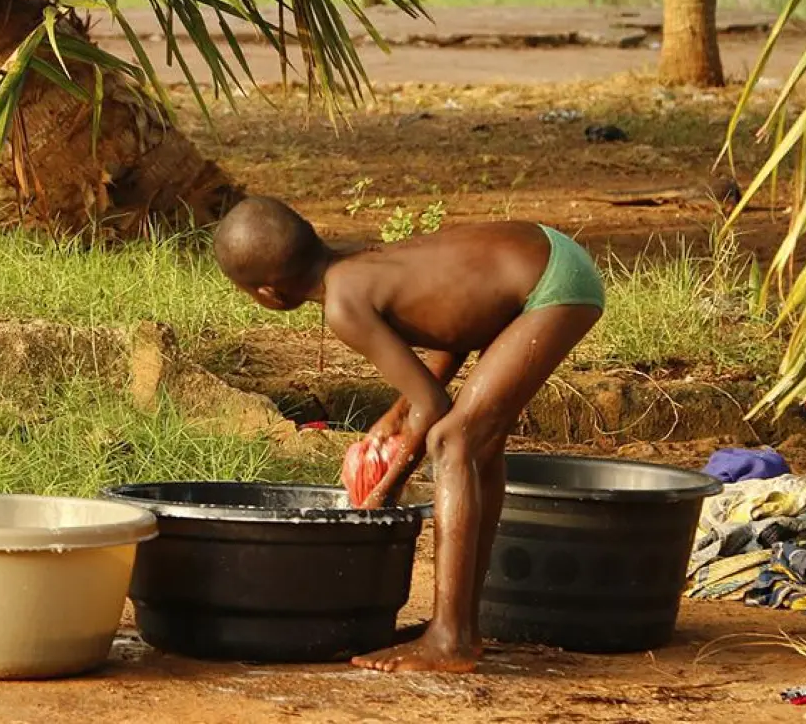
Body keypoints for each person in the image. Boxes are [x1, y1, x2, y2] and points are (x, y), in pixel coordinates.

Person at [213, 197, 604, 674]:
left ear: (268, 293)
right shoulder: (365, 263)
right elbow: (457, 332)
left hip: (550, 285)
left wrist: (385, 489)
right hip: (542, 255)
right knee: (478, 445)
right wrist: (397, 414)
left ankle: (448, 639)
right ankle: (463, 627)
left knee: (453, 441)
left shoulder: (342, 306)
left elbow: (434, 407)